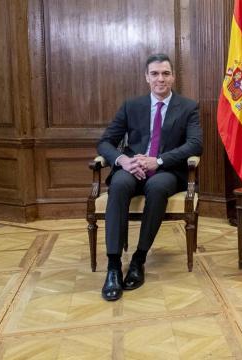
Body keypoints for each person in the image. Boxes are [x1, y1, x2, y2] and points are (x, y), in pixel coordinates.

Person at [97, 53, 202, 301]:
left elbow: (195, 144)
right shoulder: (131, 106)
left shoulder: (188, 107)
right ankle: (113, 266)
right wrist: (123, 160)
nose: (160, 79)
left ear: (173, 77)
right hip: (133, 168)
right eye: (154, 73)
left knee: (156, 187)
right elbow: (105, 142)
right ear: (147, 77)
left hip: (166, 172)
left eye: (165, 73)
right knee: (119, 184)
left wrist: (159, 160)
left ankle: (138, 260)